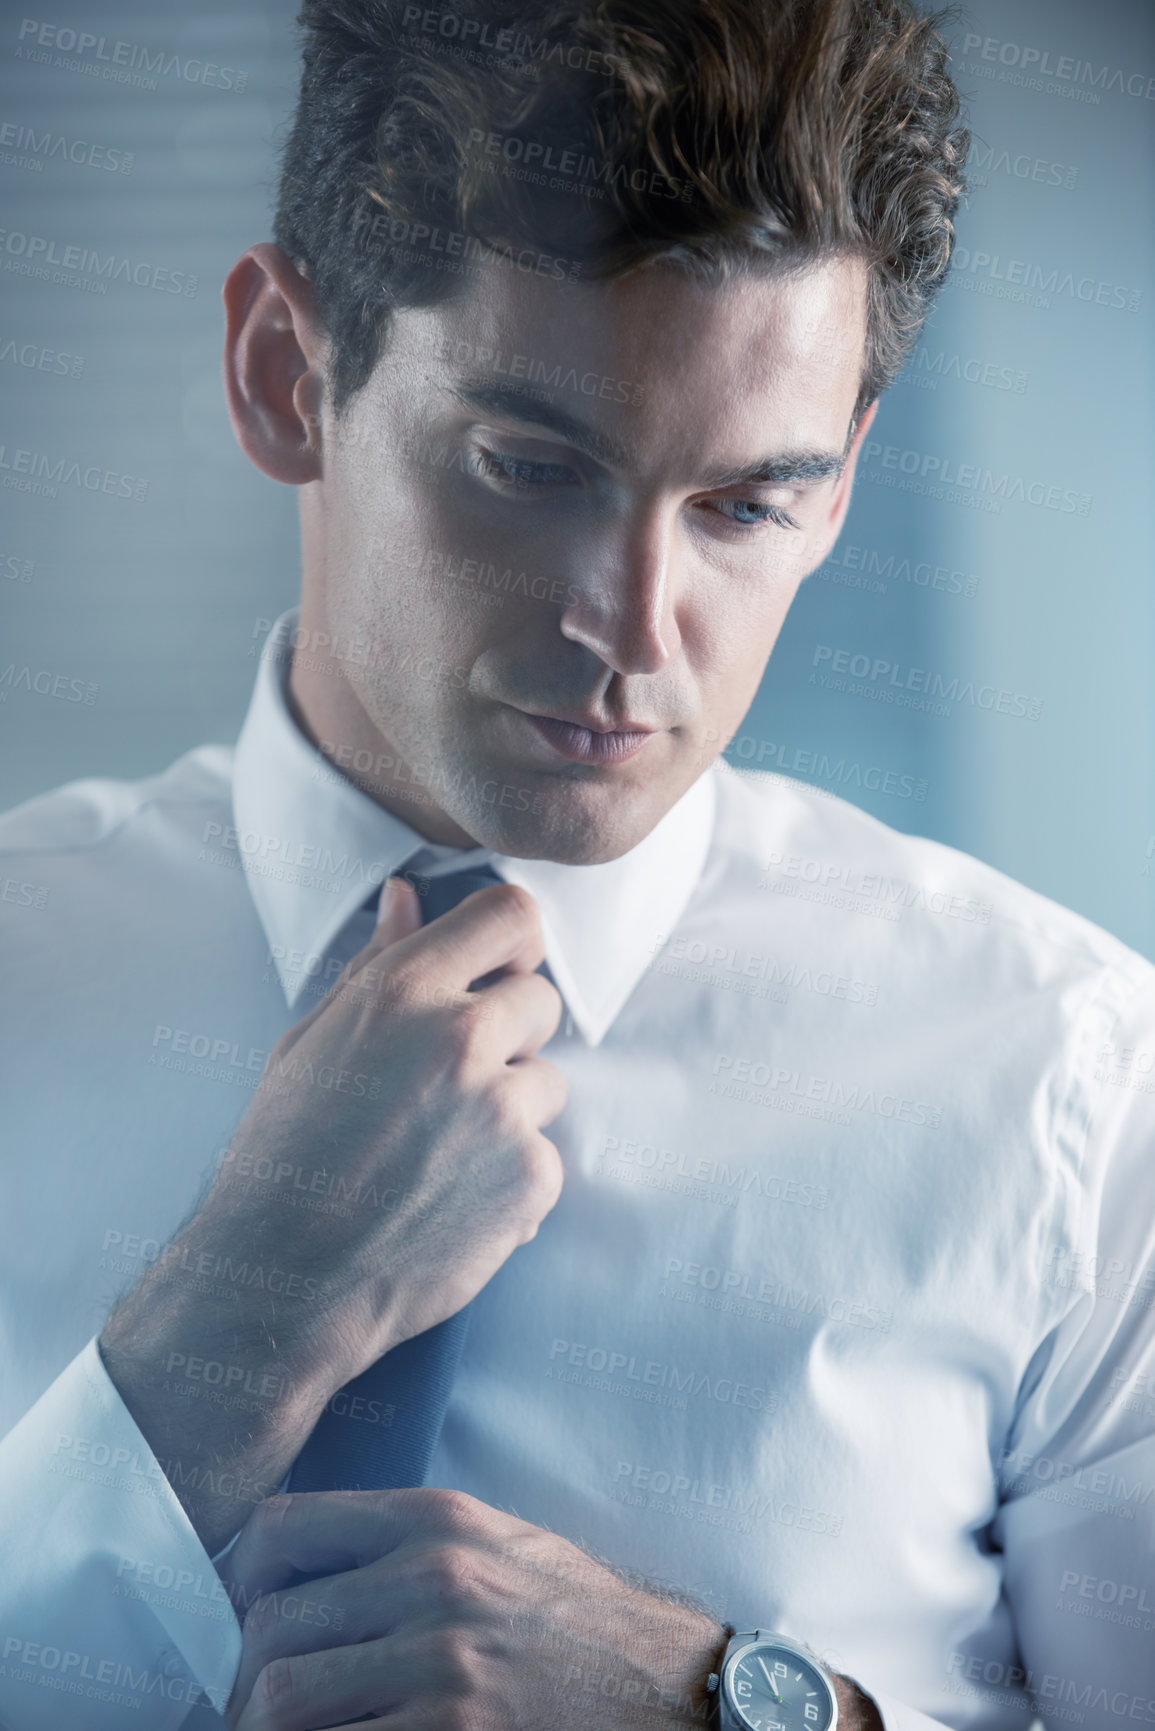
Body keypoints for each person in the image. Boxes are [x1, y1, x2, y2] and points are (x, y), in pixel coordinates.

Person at [1, 0, 1153, 1726]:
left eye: (749, 505)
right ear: (281, 376)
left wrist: (737, 1710)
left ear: (841, 490)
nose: (630, 632)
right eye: (527, 467)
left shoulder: (1073, 1081)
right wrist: (215, 1343)